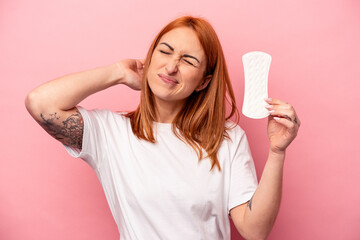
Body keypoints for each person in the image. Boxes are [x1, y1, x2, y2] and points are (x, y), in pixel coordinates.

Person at [25, 16, 300, 240]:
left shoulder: (227, 139)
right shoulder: (111, 132)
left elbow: (254, 231)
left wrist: (277, 152)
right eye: (165, 51)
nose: (170, 67)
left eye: (188, 61)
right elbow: (40, 102)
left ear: (203, 82)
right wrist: (118, 72)